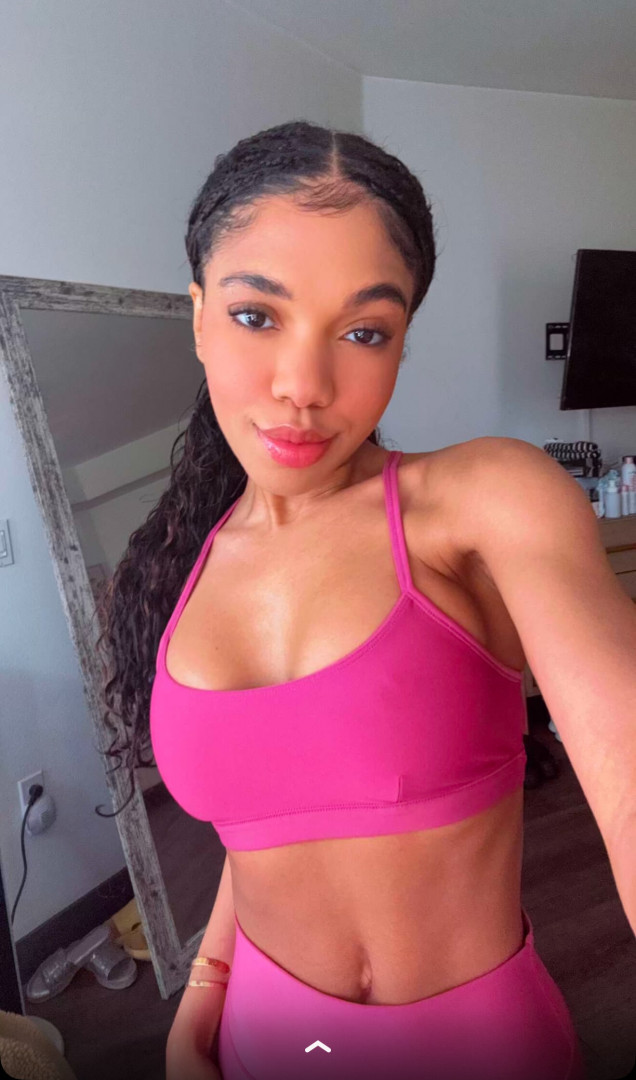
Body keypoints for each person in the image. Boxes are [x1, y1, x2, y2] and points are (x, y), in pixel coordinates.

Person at [100, 120, 636, 1080]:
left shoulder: (481, 503)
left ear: (401, 342)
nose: (304, 386)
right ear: (198, 316)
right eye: (256, 315)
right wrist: (205, 992)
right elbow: (263, 824)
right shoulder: (184, 561)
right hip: (254, 1036)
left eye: (363, 332)